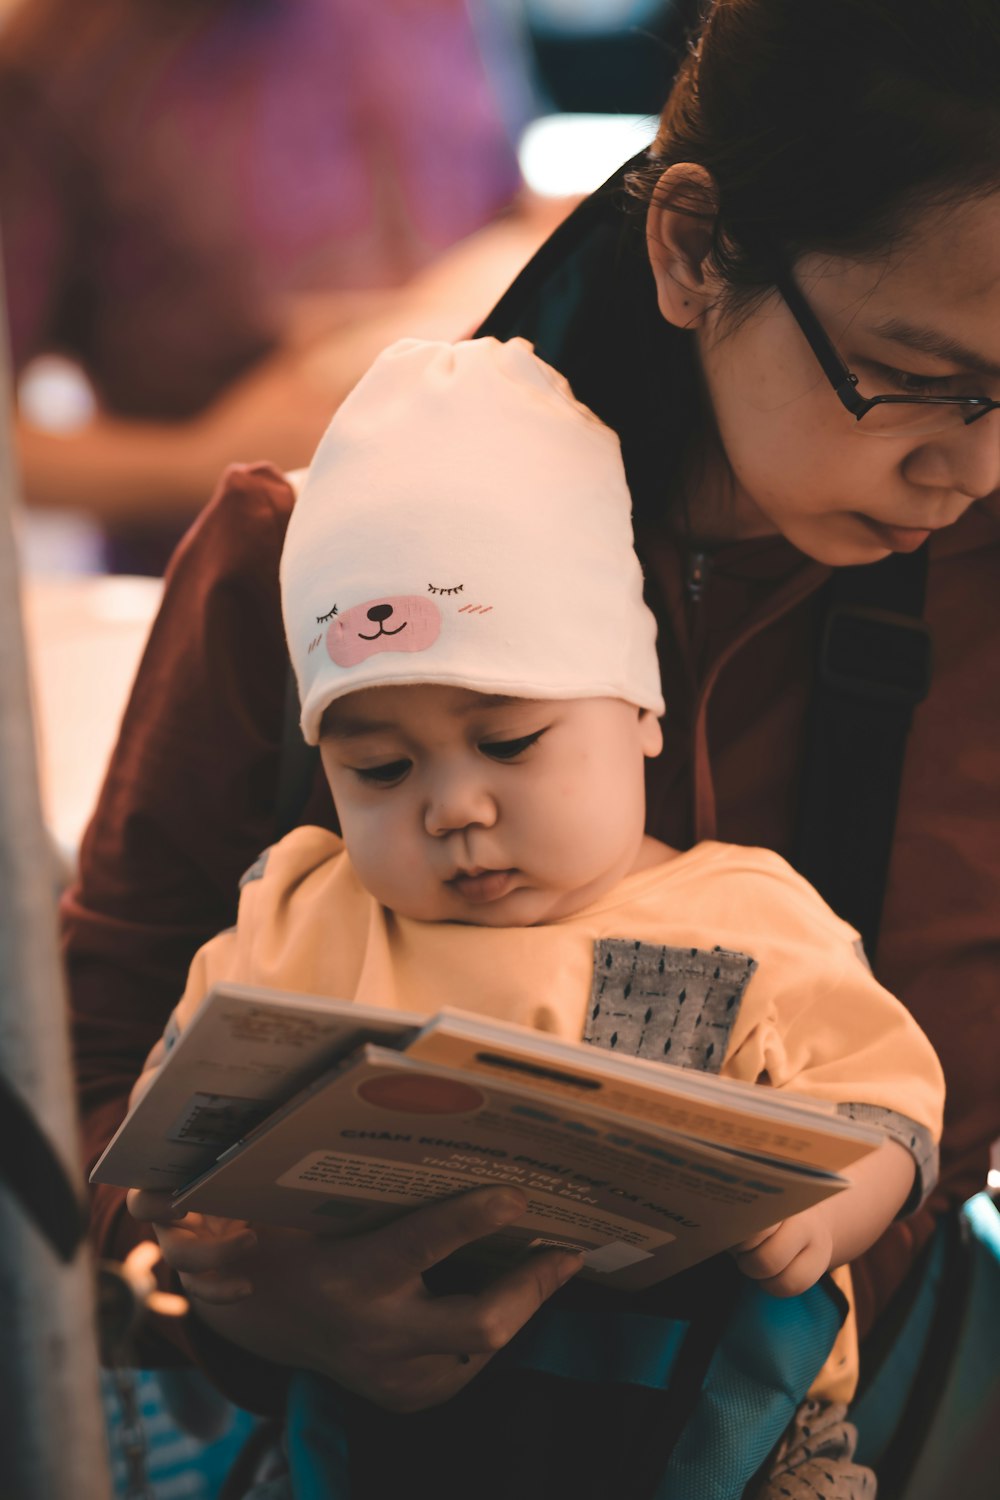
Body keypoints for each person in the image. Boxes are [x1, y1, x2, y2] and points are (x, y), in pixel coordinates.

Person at [66, 0, 999, 1484]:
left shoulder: (979, 602)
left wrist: (721, 1386)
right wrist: (257, 1309)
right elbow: (90, 1071)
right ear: (694, 249)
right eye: (915, 373)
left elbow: (939, 1112)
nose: (971, 464)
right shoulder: (311, 569)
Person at [129, 335, 943, 1496]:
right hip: (378, 1429)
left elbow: (893, 1104)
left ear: (640, 711)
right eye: (379, 770)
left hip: (721, 1428)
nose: (455, 807)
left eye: (510, 742)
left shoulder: (743, 912)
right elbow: (181, 1127)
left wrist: (837, 1210)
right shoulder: (309, 913)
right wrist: (199, 1236)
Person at [0, 0, 552, 572]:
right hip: (240, 596)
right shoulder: (59, 62)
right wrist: (198, 463)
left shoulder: (443, 12)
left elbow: (504, 209)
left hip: (488, 552)